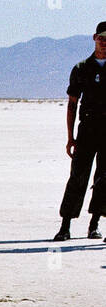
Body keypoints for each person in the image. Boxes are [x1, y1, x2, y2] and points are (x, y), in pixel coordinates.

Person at [53, 22, 106, 242]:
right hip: (86, 131)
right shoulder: (82, 68)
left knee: (105, 178)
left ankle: (95, 225)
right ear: (94, 38)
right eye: (101, 37)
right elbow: (72, 104)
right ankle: (65, 226)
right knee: (77, 176)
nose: (105, 42)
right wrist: (70, 137)